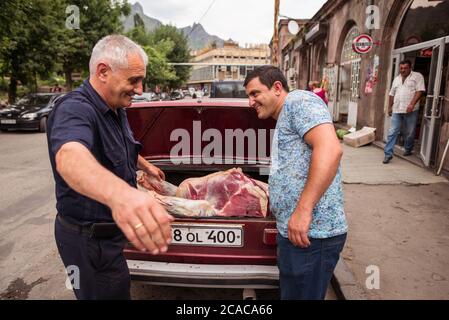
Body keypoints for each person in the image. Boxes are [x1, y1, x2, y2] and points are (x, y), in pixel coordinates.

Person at [46, 35, 173, 300]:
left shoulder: (116, 106)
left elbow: (118, 146)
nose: (139, 90)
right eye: (133, 80)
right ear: (103, 71)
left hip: (109, 241)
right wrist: (123, 196)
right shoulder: (74, 108)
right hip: (89, 243)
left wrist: (144, 165)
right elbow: (70, 156)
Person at [244, 66, 347, 300]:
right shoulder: (285, 114)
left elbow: (331, 149)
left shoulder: (300, 102)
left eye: (255, 93)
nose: (251, 102)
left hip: (314, 235)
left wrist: (303, 210)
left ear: (277, 88)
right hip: (299, 234)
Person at [383, 60, 425, 164]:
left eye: (405, 68)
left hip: (411, 110)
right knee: (392, 131)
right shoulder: (396, 79)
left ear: (410, 68)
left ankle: (408, 148)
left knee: (409, 132)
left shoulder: (417, 76)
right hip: (397, 109)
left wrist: (412, 104)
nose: (403, 70)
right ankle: (388, 154)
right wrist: (389, 107)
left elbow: (420, 91)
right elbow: (391, 93)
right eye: (401, 68)